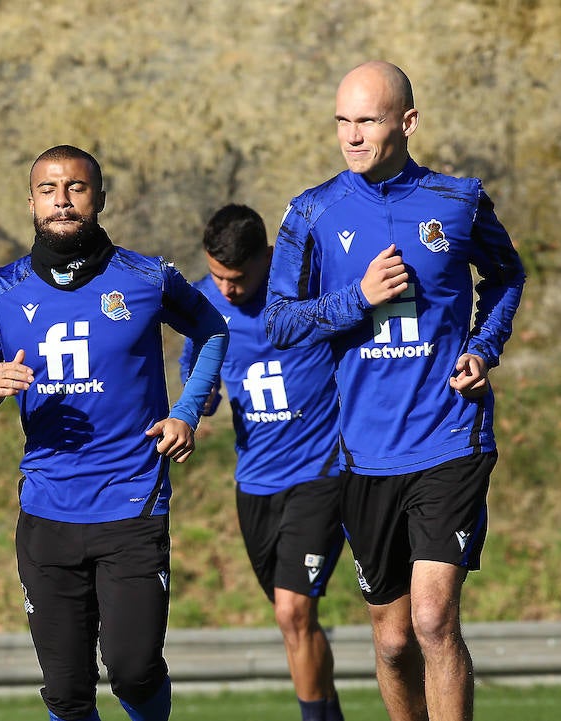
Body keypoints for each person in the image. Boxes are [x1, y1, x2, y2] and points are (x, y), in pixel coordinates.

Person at [264, 61, 527, 721]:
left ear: (406, 123)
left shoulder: (457, 199)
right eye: (342, 122)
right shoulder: (313, 212)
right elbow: (280, 322)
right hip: (362, 451)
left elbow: (505, 274)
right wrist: (358, 299)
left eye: (367, 121)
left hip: (449, 435)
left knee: (435, 618)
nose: (351, 137)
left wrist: (481, 347)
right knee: (392, 638)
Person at [0, 145, 228, 721]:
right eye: (49, 189)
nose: (62, 200)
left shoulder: (147, 277)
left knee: (133, 671)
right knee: (67, 693)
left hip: (131, 503)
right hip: (47, 510)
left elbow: (213, 331)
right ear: (30, 201)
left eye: (76, 188)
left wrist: (187, 411)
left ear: (99, 199)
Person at [180, 204, 346, 721]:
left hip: (322, 471)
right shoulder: (203, 302)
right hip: (255, 481)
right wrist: (198, 400)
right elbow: (197, 375)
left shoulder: (309, 282)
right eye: (217, 276)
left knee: (293, 611)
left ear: (267, 258)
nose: (227, 289)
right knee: (295, 622)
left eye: (238, 278)